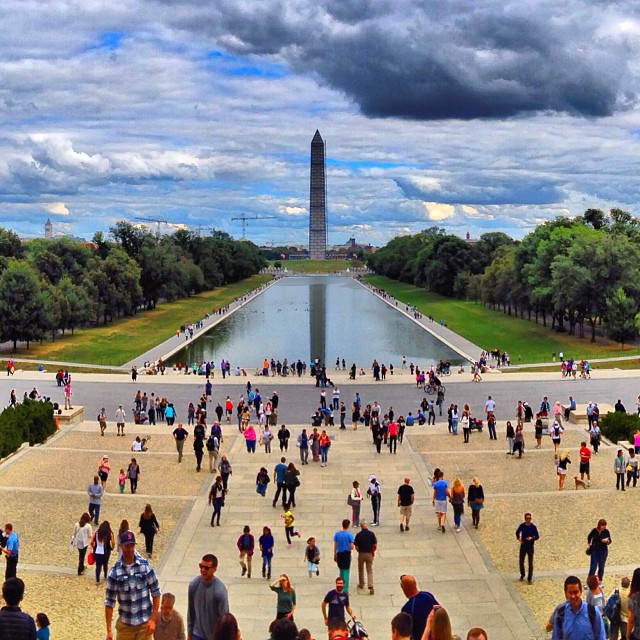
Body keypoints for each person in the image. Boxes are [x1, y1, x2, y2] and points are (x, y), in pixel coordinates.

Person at [105, 531, 161, 640]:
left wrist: (153, 620)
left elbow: (156, 592)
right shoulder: (115, 572)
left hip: (144, 627)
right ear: (121, 546)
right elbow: (109, 602)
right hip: (125, 627)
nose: (130, 549)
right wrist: (108, 630)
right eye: (127, 546)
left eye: (132, 545)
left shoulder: (144, 566)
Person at [187, 554, 229, 640]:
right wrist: (189, 633)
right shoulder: (193, 585)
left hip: (214, 636)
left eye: (206, 568)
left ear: (214, 569)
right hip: (197, 634)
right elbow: (191, 611)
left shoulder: (220, 591)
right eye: (201, 566)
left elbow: (225, 618)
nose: (202, 570)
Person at [551, 575, 605, 639]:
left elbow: (601, 637)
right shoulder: (560, 614)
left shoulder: (593, 612)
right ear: (565, 593)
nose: (573, 596)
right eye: (570, 593)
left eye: (576, 592)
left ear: (581, 591)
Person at [400, 574, 439, 640]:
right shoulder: (428, 595)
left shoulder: (407, 608)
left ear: (404, 588)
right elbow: (439, 612)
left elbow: (406, 633)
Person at [354, 520, 377, 595]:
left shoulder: (358, 535)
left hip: (361, 554)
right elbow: (375, 544)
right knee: (369, 570)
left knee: (361, 569)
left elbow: (356, 545)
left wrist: (358, 551)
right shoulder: (371, 534)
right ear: (366, 525)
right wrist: (373, 551)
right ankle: (371, 586)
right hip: (369, 553)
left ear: (361, 526)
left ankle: (361, 584)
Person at [516, 513, 539, 584]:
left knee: (530, 562)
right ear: (525, 519)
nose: (528, 520)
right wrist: (519, 539)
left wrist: (532, 538)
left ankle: (529, 578)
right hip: (523, 546)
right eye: (527, 518)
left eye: (529, 518)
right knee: (521, 561)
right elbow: (517, 532)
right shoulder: (522, 526)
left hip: (530, 547)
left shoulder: (533, 527)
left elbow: (537, 536)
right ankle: (522, 574)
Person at [333, 519, 355, 592]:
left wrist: (334, 554)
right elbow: (352, 547)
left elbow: (335, 545)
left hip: (339, 554)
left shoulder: (337, 534)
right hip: (346, 554)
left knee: (341, 570)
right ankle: (345, 589)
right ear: (348, 526)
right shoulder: (349, 535)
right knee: (346, 571)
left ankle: (340, 585)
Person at [91, 520, 115, 585]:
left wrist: (93, 547)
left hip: (97, 551)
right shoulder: (109, 533)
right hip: (106, 551)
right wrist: (112, 547)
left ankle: (97, 579)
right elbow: (113, 542)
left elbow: (91, 542)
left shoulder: (96, 533)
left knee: (98, 566)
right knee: (105, 564)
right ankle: (105, 575)